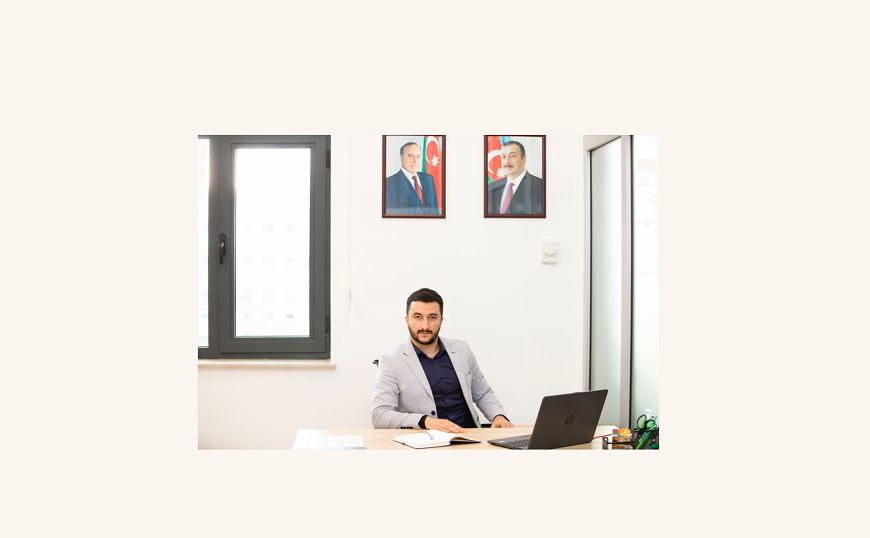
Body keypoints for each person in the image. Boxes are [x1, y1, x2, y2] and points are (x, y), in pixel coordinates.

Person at [372, 288, 514, 432]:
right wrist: (424, 421)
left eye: (432, 317)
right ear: (407, 320)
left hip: (471, 436)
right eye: (418, 317)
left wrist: (498, 416)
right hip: (426, 441)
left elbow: (483, 393)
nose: (425, 326)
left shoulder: (462, 350)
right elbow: (379, 414)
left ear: (441, 320)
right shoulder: (391, 361)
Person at [486, 140, 543, 215]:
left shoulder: (542, 186)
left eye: (512, 156)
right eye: (503, 156)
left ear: (523, 159)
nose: (507, 161)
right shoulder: (491, 188)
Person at [385, 142, 440, 215]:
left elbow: (435, 210)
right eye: (410, 156)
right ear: (401, 158)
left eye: (418, 156)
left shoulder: (428, 179)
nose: (415, 160)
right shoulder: (389, 183)